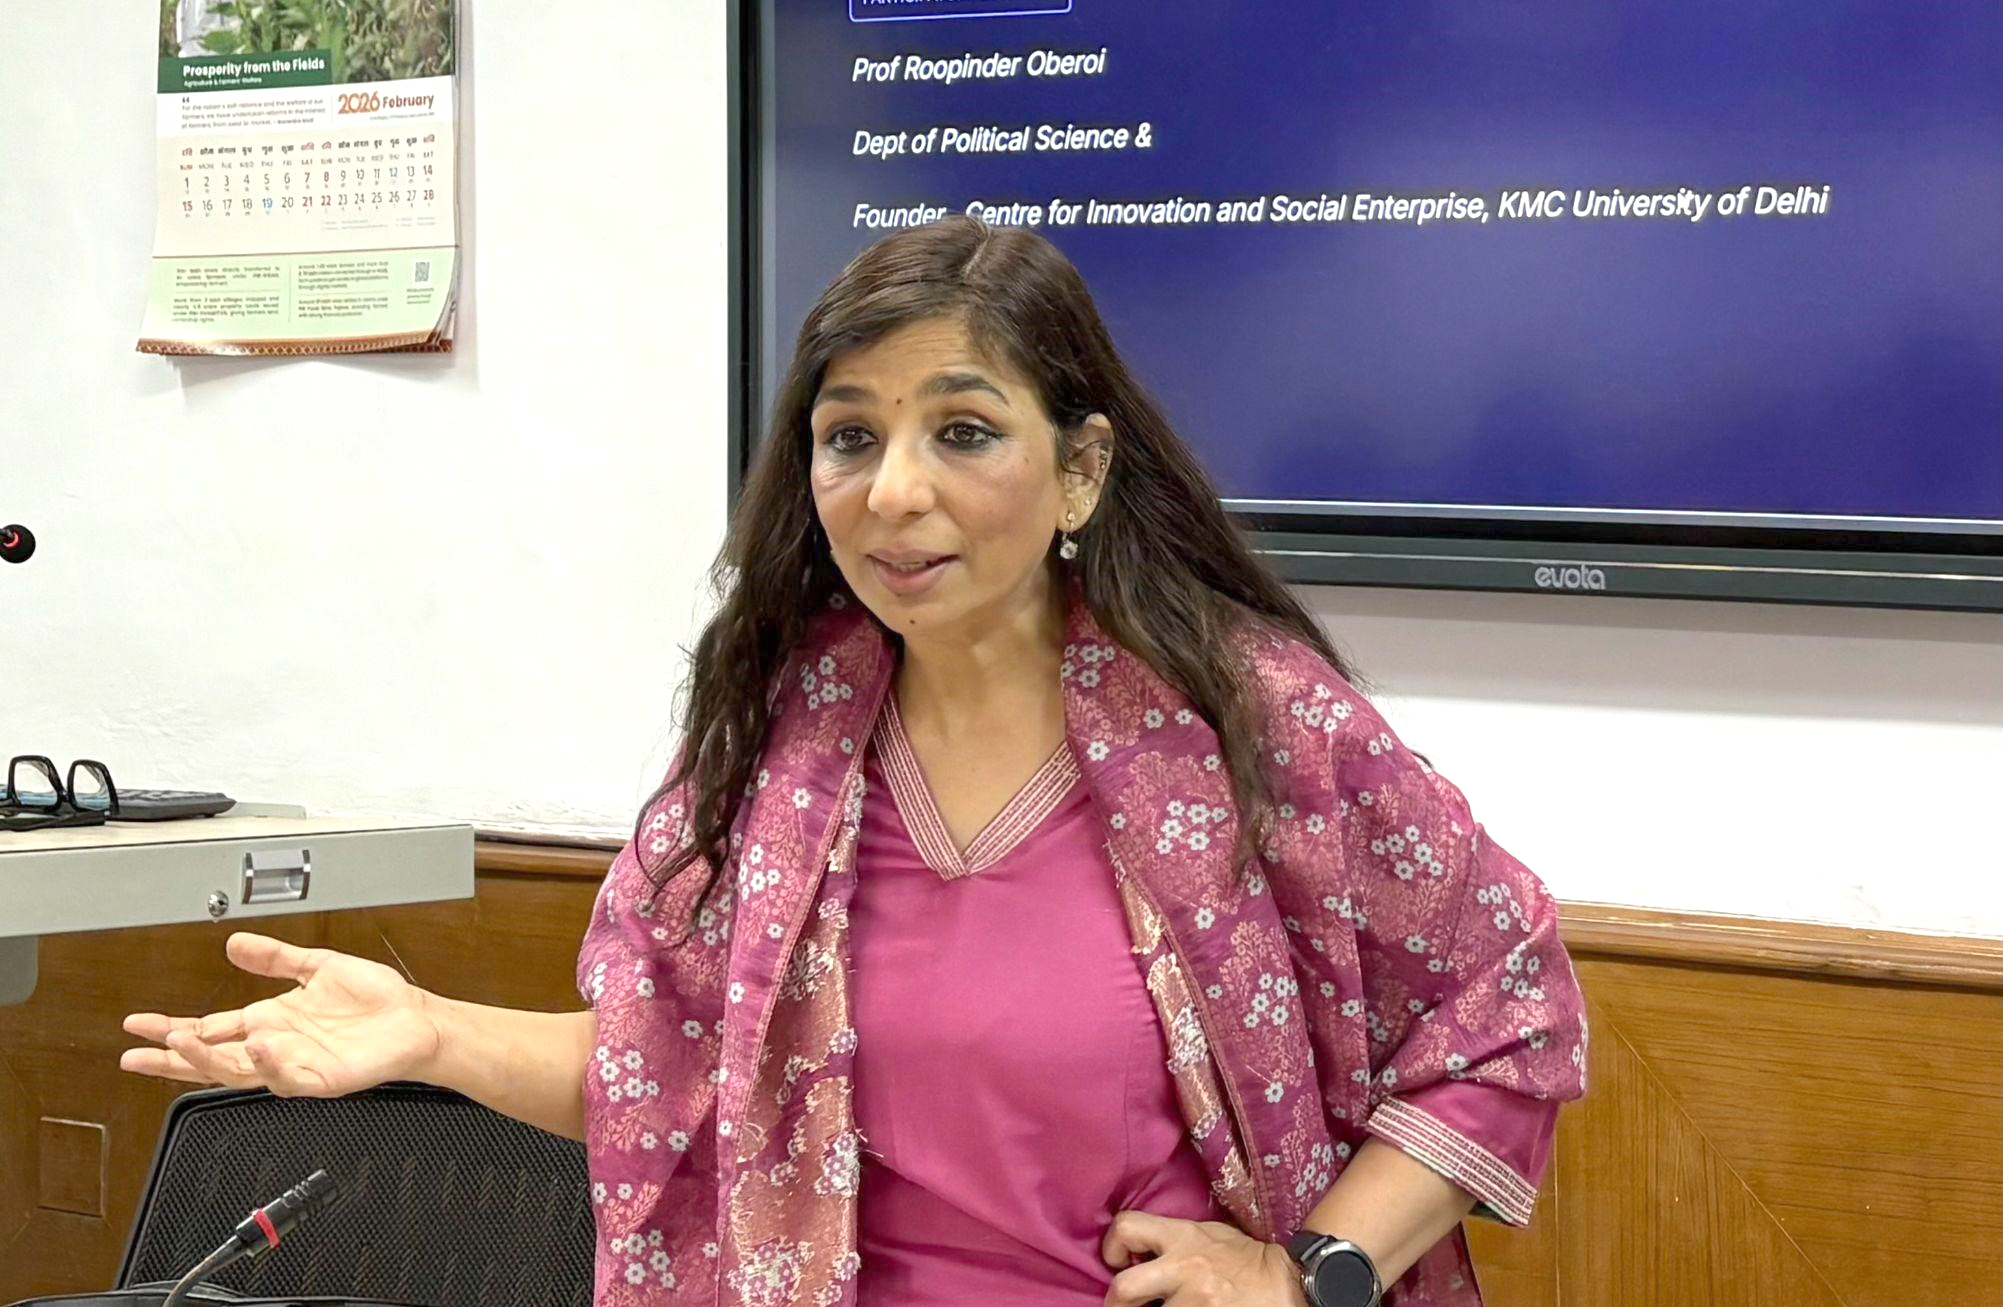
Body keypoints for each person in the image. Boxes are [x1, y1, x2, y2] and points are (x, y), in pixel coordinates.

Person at [121, 220, 1586, 1307]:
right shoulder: (770, 745)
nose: (893, 492)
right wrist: (429, 1033)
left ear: (1080, 469)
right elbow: (659, 1069)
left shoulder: (1249, 728)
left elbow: (1505, 1007)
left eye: (963, 431)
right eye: (849, 437)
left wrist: (1310, 1269)